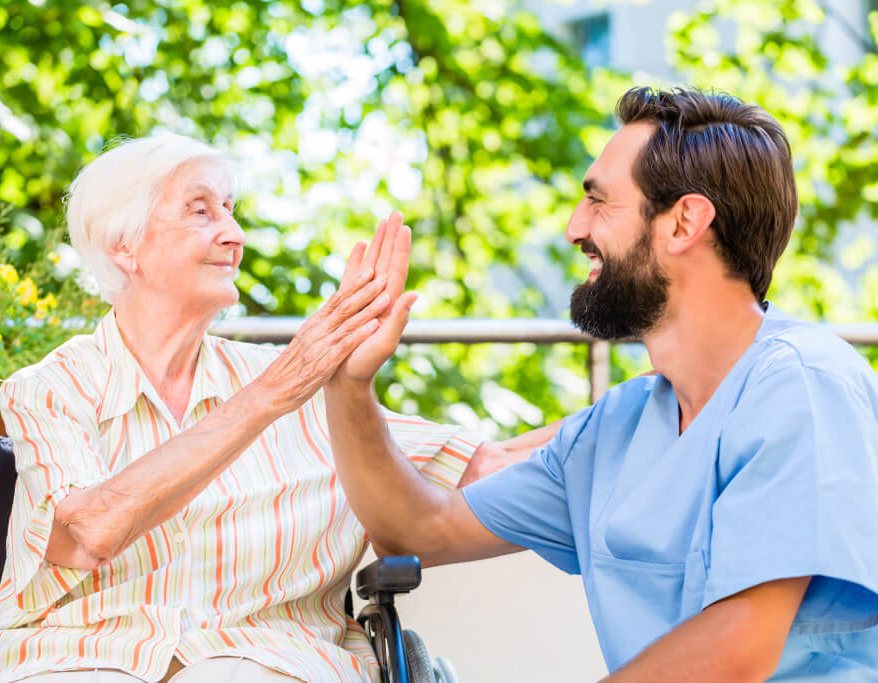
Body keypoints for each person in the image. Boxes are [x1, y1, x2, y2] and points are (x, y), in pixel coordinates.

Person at [324, 87, 878, 681]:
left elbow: (738, 646)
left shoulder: (803, 382)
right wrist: (349, 387)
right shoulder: (617, 427)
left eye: (598, 201)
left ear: (685, 222)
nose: (573, 227)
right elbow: (416, 530)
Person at [0, 135, 550, 683]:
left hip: (264, 656)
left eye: (231, 210)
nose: (234, 234)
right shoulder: (52, 388)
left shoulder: (309, 383)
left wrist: (633, 405)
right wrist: (272, 395)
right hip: (75, 655)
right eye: (200, 210)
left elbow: (480, 465)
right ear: (124, 246)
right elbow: (90, 533)